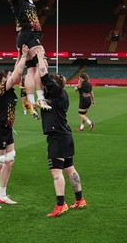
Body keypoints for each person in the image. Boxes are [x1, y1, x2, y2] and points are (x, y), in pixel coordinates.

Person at [36, 46, 87, 218]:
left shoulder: (57, 92)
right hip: (65, 135)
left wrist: (39, 58)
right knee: (69, 168)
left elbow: (43, 76)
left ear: (54, 84)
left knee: (56, 171)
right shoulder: (61, 94)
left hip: (57, 136)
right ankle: (80, 200)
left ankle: (61, 204)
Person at [0, 44, 29, 209]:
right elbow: (16, 73)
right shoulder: (1, 89)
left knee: (10, 160)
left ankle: (1, 195)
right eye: (8, 76)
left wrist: (18, 54)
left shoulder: (8, 90)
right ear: (3, 80)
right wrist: (23, 56)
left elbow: (16, 70)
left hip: (7, 129)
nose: (13, 78)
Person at [4, 0, 51, 116]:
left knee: (31, 70)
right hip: (29, 34)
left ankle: (30, 101)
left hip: (24, 36)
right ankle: (41, 98)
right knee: (42, 62)